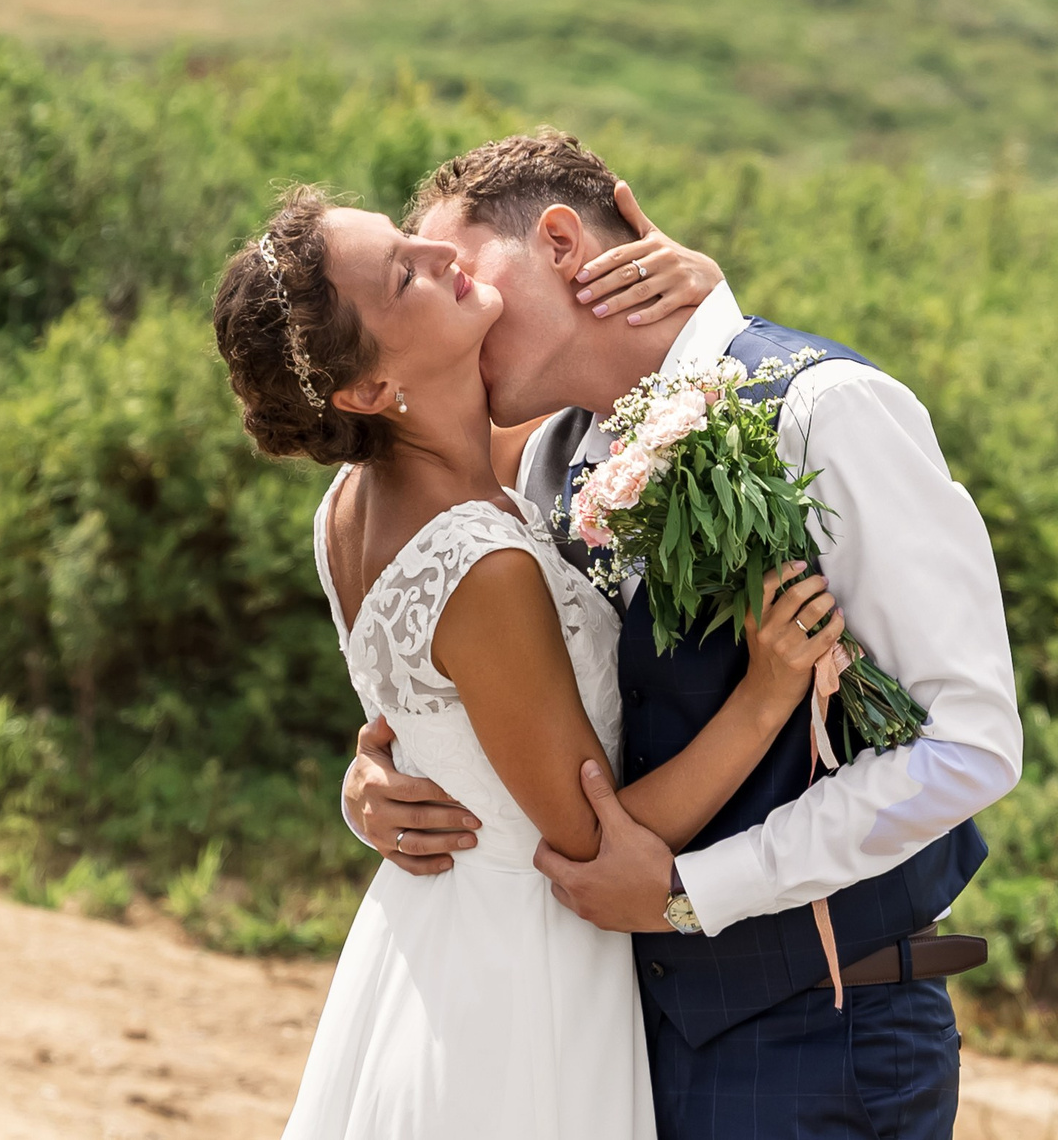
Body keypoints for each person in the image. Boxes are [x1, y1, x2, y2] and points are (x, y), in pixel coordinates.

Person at [345, 131, 1022, 1140]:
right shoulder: (552, 455)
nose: (460, 304)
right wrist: (383, 774)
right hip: (614, 1036)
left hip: (815, 1037)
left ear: (563, 242)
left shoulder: (825, 411)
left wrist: (688, 891)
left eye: (464, 270)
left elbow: (968, 745)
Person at [214, 182, 852, 1140]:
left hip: (432, 935)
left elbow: (618, 406)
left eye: (409, 238)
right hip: (524, 976)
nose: (441, 255)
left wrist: (705, 309)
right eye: (404, 274)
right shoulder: (484, 567)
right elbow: (594, 843)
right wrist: (766, 696)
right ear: (371, 392)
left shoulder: (355, 497)